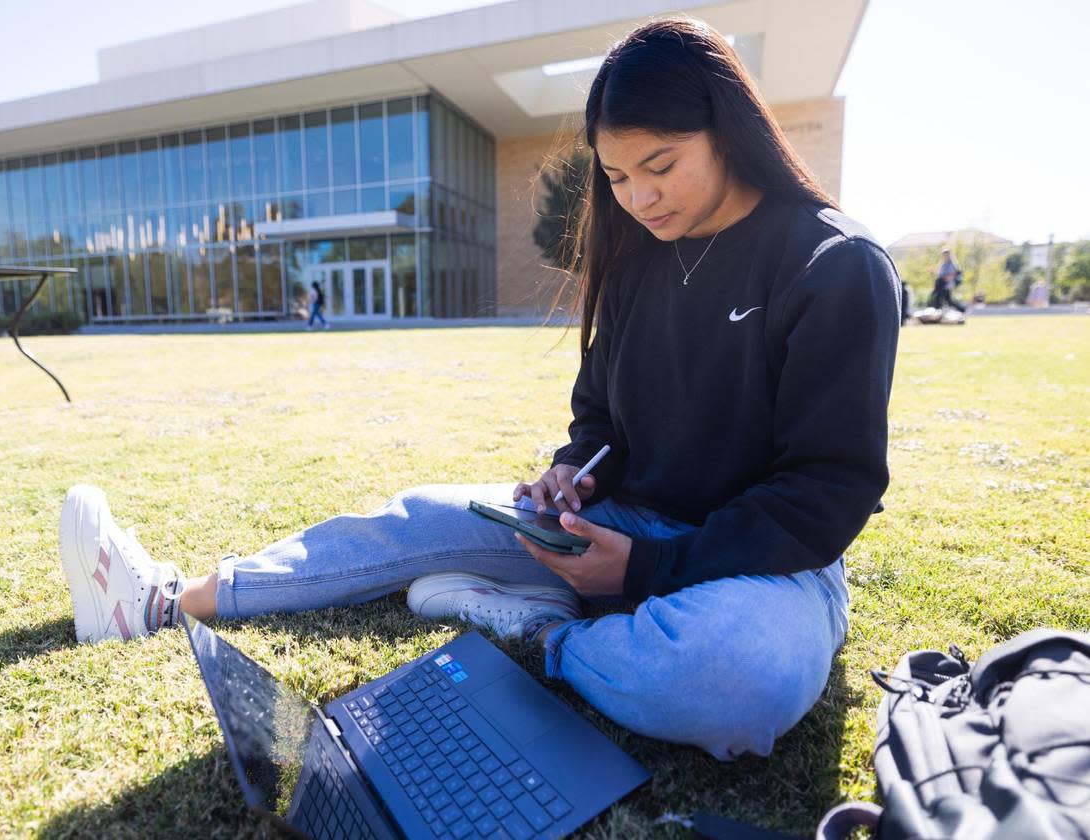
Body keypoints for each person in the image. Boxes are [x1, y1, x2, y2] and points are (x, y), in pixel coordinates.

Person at [58, 17, 900, 762]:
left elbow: (827, 490)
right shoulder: (643, 254)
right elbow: (601, 415)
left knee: (739, 678)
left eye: (661, 165)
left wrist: (650, 567)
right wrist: (579, 474)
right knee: (418, 517)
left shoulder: (834, 265)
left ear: (729, 130)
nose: (638, 198)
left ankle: (539, 628)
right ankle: (167, 598)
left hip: (766, 569)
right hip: (616, 527)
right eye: (615, 177)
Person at [930, 248, 967, 313]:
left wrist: (943, 280)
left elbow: (952, 275)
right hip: (941, 285)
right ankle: (961, 309)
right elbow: (940, 274)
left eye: (945, 255)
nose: (944, 256)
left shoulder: (951, 264)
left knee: (945, 300)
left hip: (946, 285)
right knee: (944, 299)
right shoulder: (943, 264)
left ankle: (962, 309)